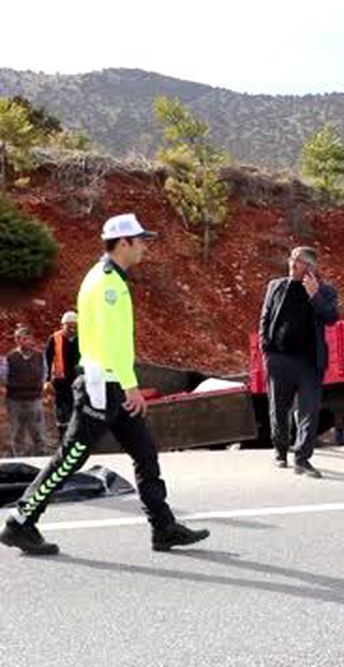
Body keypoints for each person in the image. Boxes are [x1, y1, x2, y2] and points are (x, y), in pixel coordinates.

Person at [1, 213, 209, 556]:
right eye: (140, 240)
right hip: (104, 386)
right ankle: (20, 523)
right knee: (69, 459)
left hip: (110, 384)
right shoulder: (109, 282)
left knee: (144, 453)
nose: (145, 245)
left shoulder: (104, 276)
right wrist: (130, 387)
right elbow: (114, 343)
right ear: (123, 243)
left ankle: (163, 527)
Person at [259, 246, 339, 478]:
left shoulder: (325, 291)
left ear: (310, 267)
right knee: (278, 409)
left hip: (309, 363)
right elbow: (265, 317)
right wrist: (267, 350)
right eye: (292, 259)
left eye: (299, 261)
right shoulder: (276, 286)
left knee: (308, 411)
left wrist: (314, 295)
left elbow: (331, 318)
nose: (293, 264)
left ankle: (302, 459)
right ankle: (280, 451)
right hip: (279, 358)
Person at [5, 326, 48, 457]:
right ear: (17, 340)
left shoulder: (39, 356)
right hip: (15, 401)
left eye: (29, 339)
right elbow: (4, 378)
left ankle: (41, 459)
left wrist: (42, 387)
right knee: (17, 433)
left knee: (38, 432)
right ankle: (19, 459)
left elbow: (44, 375)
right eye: (23, 339)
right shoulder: (10, 358)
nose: (27, 342)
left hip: (35, 399)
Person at [43, 310, 81, 442]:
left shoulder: (84, 339)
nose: (72, 328)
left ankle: (76, 438)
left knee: (78, 409)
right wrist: (46, 380)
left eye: (75, 325)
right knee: (62, 411)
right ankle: (63, 440)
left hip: (79, 380)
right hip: (61, 381)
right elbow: (47, 360)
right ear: (62, 325)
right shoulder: (55, 339)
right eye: (69, 325)